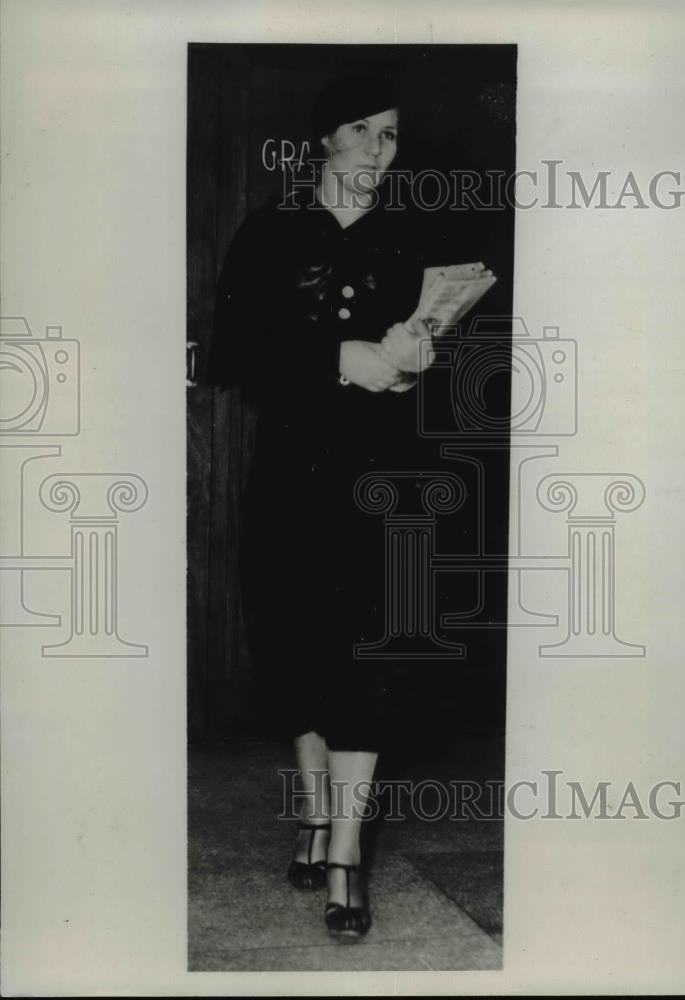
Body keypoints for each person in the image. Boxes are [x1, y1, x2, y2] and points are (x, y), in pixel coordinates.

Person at [207, 71, 437, 940]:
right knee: (297, 645)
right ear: (321, 144)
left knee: (365, 654)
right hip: (293, 474)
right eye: (362, 132)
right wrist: (339, 357)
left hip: (384, 475)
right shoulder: (270, 233)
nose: (378, 151)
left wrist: (417, 357)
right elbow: (236, 352)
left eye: (391, 135)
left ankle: (344, 854)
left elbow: (437, 350)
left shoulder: (411, 236)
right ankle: (311, 813)